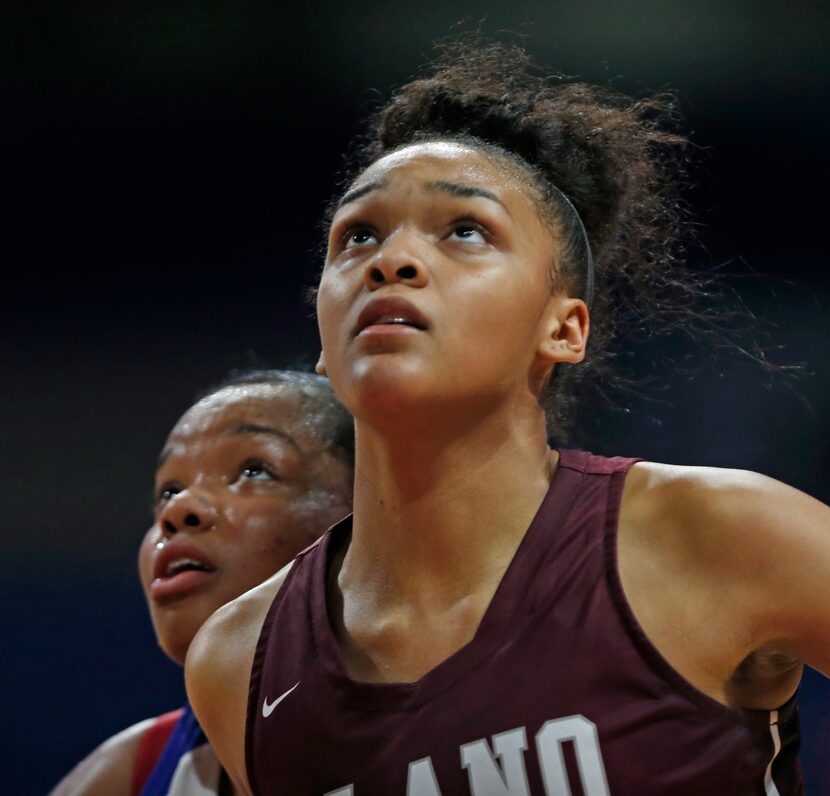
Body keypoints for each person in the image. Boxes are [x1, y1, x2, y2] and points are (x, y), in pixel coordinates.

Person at [185, 37, 829, 795]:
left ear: (565, 329)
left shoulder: (721, 532)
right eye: (359, 235)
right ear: (324, 343)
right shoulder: (237, 661)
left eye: (465, 231)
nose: (392, 260)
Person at [52, 369, 354, 796]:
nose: (178, 511)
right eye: (168, 491)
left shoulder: (463, 711)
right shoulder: (123, 778)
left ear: (367, 511)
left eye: (254, 471)